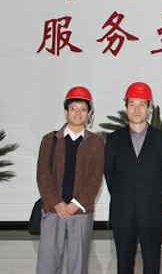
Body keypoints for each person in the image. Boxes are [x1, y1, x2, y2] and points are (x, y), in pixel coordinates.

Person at [104, 82, 162, 274]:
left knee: (152, 264)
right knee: (124, 264)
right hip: (122, 212)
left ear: (149, 108)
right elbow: (109, 174)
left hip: (152, 212)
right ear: (126, 107)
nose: (136, 109)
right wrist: (126, 196)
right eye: (132, 104)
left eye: (142, 104)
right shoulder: (114, 139)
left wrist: (153, 197)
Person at [36, 86, 104, 274]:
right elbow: (43, 174)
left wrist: (75, 204)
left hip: (80, 212)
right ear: (66, 112)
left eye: (83, 109)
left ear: (89, 114)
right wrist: (57, 203)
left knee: (78, 265)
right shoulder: (49, 140)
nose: (78, 113)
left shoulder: (96, 143)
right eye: (73, 108)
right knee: (48, 264)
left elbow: (95, 178)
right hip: (53, 211)